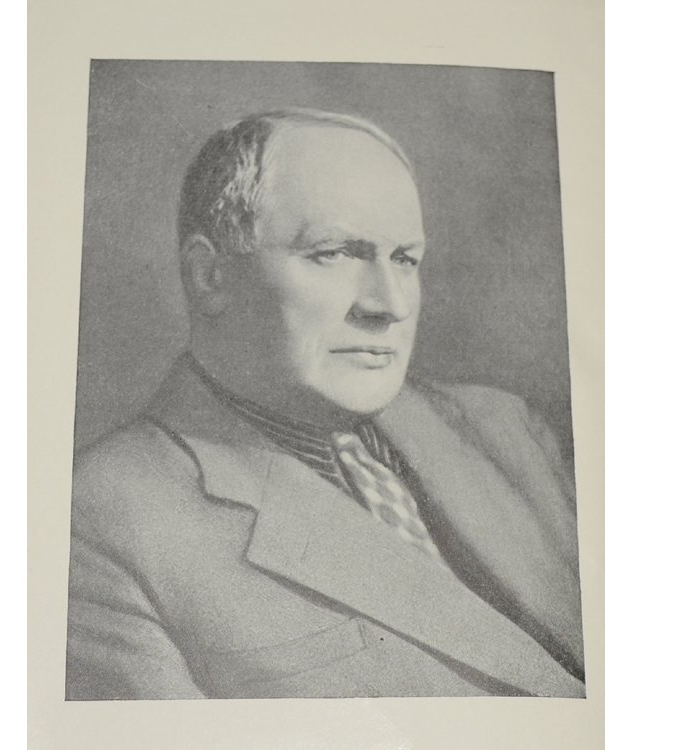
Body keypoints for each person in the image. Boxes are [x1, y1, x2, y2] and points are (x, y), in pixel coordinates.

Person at [65, 109, 585, 700]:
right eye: (335, 252)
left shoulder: (502, 425)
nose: (389, 305)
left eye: (405, 259)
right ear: (210, 276)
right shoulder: (103, 523)